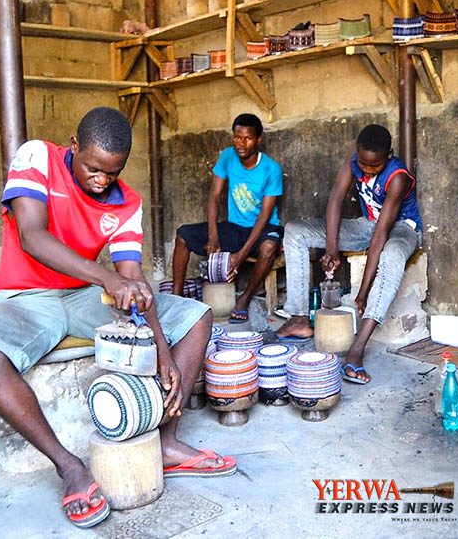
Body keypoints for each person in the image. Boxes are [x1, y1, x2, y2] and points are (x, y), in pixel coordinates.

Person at [0, 108, 236, 529]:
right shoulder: (37, 158)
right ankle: (69, 467)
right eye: (93, 168)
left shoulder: (127, 202)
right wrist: (107, 278)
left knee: (196, 316)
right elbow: (32, 236)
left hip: (85, 296)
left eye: (113, 172)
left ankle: (167, 442)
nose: (102, 180)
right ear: (74, 146)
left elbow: (132, 279)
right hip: (25, 296)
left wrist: (162, 349)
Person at [276, 124, 423, 384]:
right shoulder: (354, 156)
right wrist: (331, 248)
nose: (366, 170)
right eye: (363, 164)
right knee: (296, 231)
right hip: (367, 225)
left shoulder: (397, 177)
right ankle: (298, 317)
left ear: (388, 155)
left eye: (374, 166)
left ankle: (357, 350)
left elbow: (381, 235)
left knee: (392, 254)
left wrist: (363, 292)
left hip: (402, 228)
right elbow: (335, 198)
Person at [171, 113, 284, 323]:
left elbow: (264, 216)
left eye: (248, 138)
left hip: (264, 227)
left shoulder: (271, 169)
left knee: (268, 247)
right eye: (237, 137)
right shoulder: (227, 156)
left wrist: (239, 256)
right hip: (235, 227)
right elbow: (214, 198)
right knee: (183, 235)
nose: (241, 143)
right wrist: (213, 236)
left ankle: (244, 300)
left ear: (259, 139)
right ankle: (176, 299)